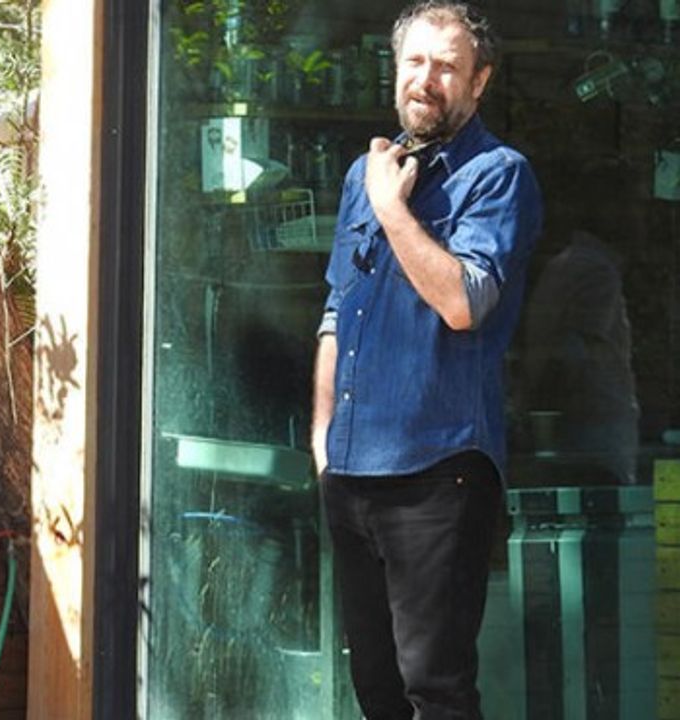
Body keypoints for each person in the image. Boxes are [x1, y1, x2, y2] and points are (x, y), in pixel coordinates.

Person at [310, 2, 542, 718]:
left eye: (447, 65)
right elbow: (336, 313)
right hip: (352, 469)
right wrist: (322, 438)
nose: (427, 78)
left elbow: (464, 302)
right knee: (376, 691)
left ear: (479, 81)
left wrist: (392, 209)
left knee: (434, 691)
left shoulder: (497, 175)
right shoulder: (367, 173)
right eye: (415, 61)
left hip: (439, 470)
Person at [521, 157, 639, 485]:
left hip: (580, 439)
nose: (638, 215)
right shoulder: (594, 270)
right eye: (630, 203)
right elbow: (574, 353)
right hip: (593, 443)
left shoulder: (568, 265)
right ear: (607, 208)